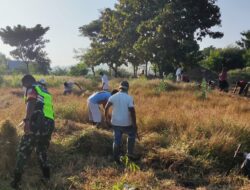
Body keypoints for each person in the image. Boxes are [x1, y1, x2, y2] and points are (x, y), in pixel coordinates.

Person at [11, 74, 55, 188]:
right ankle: (46, 179)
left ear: (26, 82)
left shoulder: (31, 87)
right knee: (42, 151)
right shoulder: (44, 90)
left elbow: (31, 102)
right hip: (49, 124)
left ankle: (15, 182)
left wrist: (27, 121)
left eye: (23, 85)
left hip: (37, 122)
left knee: (23, 150)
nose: (23, 87)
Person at [105, 81, 138, 163]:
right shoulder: (129, 98)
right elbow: (132, 112)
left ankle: (116, 159)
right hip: (127, 124)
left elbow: (106, 108)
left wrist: (107, 119)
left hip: (115, 123)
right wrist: (134, 124)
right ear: (127, 88)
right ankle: (129, 153)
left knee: (116, 140)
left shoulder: (113, 97)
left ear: (120, 88)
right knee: (131, 134)